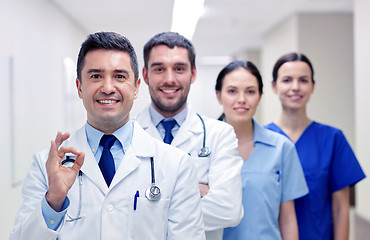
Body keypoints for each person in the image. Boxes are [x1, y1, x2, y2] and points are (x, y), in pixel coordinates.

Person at [10, 32, 206, 240]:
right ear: (79, 87)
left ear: (136, 87)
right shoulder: (45, 166)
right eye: (96, 76)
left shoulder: (176, 165)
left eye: (120, 76)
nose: (108, 88)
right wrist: (54, 201)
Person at [135, 32, 243, 240]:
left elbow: (229, 210)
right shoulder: (126, 135)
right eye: (159, 69)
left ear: (193, 74)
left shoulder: (219, 134)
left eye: (179, 69)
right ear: (146, 75)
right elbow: (117, 211)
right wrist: (191, 191)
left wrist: (148, 204)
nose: (169, 79)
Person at [265, 52, 366, 240]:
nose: (295, 87)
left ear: (313, 86)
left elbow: (341, 208)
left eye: (303, 80)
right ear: (274, 86)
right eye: (287, 80)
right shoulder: (261, 140)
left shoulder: (332, 139)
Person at [215, 60, 308, 240]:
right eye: (232, 91)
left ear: (259, 96)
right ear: (219, 96)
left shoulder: (282, 148)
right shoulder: (202, 148)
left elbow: (288, 219)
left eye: (250, 92)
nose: (241, 99)